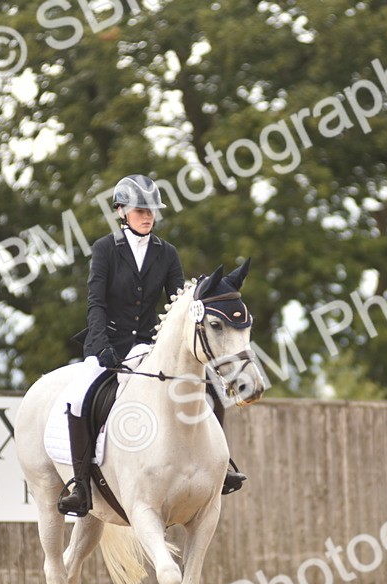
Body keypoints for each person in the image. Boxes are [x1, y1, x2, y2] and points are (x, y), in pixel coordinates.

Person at [58, 174, 246, 516]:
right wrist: (100, 346)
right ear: (121, 211)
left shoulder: (167, 254)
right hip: (109, 346)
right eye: (139, 209)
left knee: (211, 389)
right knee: (78, 397)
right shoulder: (104, 250)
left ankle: (223, 466)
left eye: (152, 210)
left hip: (150, 347)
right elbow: (96, 303)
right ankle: (81, 484)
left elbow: (179, 304)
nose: (147, 216)